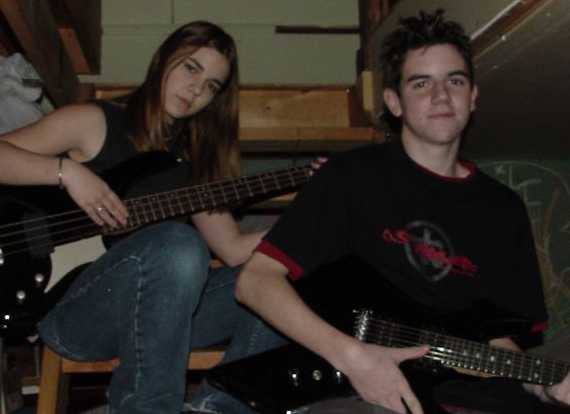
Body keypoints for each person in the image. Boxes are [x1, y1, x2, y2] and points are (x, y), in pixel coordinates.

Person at [230, 9, 570, 414]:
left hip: (461, 396)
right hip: (346, 386)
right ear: (394, 102)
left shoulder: (504, 209)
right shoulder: (350, 176)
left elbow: (499, 346)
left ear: (473, 96)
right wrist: (354, 358)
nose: (441, 96)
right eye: (421, 83)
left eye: (455, 81)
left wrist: (545, 386)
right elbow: (255, 282)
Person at [0, 21, 294, 414]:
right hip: (72, 311)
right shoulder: (95, 121)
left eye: (211, 86)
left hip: (158, 319)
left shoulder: (192, 163)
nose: (196, 90)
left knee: (282, 272)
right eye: (191, 68)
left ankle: (220, 408)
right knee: (180, 243)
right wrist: (65, 172)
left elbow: (235, 249)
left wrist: (308, 219)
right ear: (164, 59)